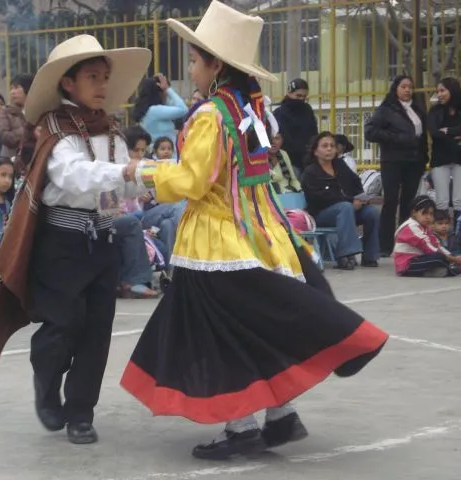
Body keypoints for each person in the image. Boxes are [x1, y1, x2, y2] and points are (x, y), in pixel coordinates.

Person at [118, 1, 388, 461]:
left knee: (217, 332)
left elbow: (192, 181)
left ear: (215, 64)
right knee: (257, 324)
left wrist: (141, 172)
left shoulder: (210, 115)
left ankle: (240, 425)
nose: (190, 68)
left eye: (193, 59)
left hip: (216, 242)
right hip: (263, 235)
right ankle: (279, 414)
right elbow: (252, 176)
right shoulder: (255, 110)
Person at [0, 34, 151, 445]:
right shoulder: (56, 129)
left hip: (103, 242)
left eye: (105, 77)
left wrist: (146, 177)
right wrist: (126, 174)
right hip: (62, 244)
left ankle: (80, 412)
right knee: (63, 323)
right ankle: (46, 376)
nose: (102, 85)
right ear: (68, 84)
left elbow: (116, 190)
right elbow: (73, 177)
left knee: (97, 329)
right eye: (92, 76)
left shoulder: (110, 128)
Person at [365, 75, 428, 256]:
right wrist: (396, 138)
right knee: (391, 201)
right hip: (393, 160)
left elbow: (422, 137)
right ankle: (385, 245)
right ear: (396, 89)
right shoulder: (386, 109)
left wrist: (424, 158)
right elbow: (370, 132)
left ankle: (405, 241)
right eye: (403, 86)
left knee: (409, 203)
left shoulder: (417, 109)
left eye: (410, 87)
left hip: (414, 161)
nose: (407, 90)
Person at [302, 132, 381, 270]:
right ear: (315, 151)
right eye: (325, 146)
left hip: (346, 210)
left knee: (371, 212)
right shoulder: (310, 172)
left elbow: (355, 182)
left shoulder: (339, 165)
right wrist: (351, 202)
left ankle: (370, 256)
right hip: (320, 214)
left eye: (332, 146)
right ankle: (344, 255)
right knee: (345, 207)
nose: (329, 149)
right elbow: (319, 198)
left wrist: (361, 198)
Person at [139, 135, 185, 262]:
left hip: (164, 219)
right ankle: (186, 232)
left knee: (167, 225)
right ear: (155, 152)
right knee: (176, 206)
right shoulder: (148, 167)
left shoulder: (176, 167)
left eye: (169, 148)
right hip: (148, 216)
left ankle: (171, 270)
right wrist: (140, 196)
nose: (166, 151)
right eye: (162, 148)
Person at [393, 196, 461, 277]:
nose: (428, 217)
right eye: (424, 213)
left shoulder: (425, 227)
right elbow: (428, 247)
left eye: (431, 214)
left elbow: (437, 245)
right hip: (406, 265)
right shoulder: (411, 226)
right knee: (439, 257)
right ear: (414, 212)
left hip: (420, 259)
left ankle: (442, 270)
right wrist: (453, 259)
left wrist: (453, 257)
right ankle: (450, 269)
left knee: (442, 256)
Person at [426, 77, 461, 225]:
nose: (439, 94)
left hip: (459, 159)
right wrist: (456, 136)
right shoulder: (435, 111)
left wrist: (448, 130)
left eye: (442, 90)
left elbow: (441, 133)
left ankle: (458, 235)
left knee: (459, 199)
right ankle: (442, 236)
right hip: (440, 159)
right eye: (437, 91)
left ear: (452, 90)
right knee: (442, 201)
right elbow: (434, 132)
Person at [273, 77, 318, 176]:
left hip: (308, 162)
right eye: (298, 96)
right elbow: (276, 137)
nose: (301, 99)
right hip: (287, 162)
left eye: (304, 96)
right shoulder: (279, 113)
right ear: (289, 93)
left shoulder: (307, 110)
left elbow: (314, 134)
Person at [133, 74, 188, 144]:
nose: (167, 96)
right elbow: (183, 109)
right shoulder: (154, 111)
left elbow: (172, 106)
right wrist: (168, 89)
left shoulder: (147, 111)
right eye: (166, 93)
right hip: (167, 153)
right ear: (159, 93)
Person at [0, 74, 33, 159]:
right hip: (12, 158)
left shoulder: (37, 109)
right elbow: (5, 136)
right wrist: (30, 131)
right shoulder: (6, 111)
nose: (12, 92)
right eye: (11, 88)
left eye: (16, 87)